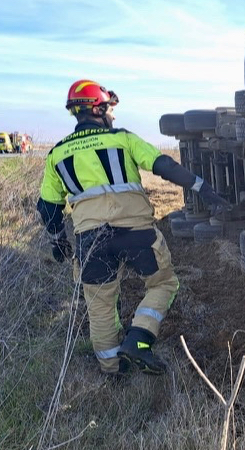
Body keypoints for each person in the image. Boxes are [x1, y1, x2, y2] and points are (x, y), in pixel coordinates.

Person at [37, 79, 229, 376]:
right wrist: (201, 186)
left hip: (90, 241)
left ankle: (114, 372)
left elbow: (48, 208)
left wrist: (58, 242)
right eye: (110, 109)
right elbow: (163, 164)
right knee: (164, 284)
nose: (113, 115)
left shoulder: (57, 155)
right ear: (99, 109)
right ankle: (139, 339)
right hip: (136, 233)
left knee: (100, 306)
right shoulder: (122, 139)